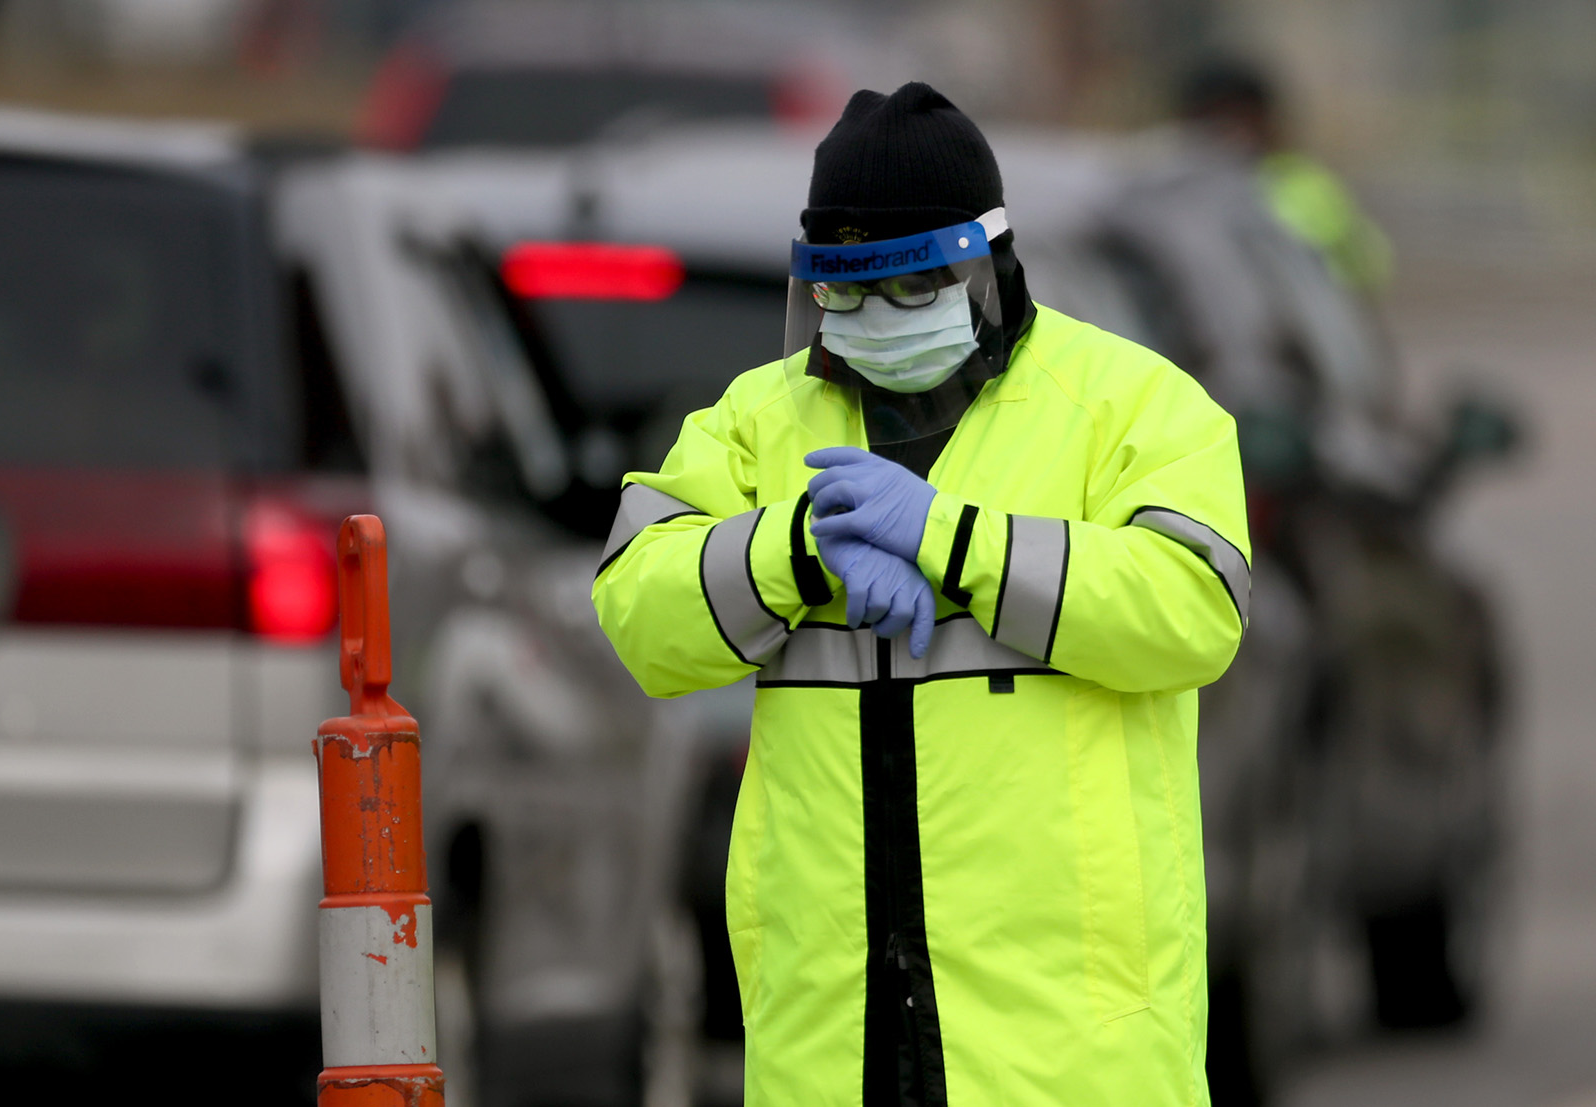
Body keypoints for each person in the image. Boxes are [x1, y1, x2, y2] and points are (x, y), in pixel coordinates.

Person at [592, 82, 1249, 1106]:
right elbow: (640, 609)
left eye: (908, 287)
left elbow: (1192, 609)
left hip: (1070, 1059)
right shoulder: (761, 420)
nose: (873, 320)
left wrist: (950, 542)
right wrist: (800, 554)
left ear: (987, 262)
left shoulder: (1130, 406)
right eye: (844, 292)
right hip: (829, 1047)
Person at [1179, 56, 1394, 296]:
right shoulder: (1168, 190)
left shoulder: (1304, 185)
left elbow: (1363, 267)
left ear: (1268, 120)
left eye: (1241, 118)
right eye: (1215, 121)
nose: (1231, 134)